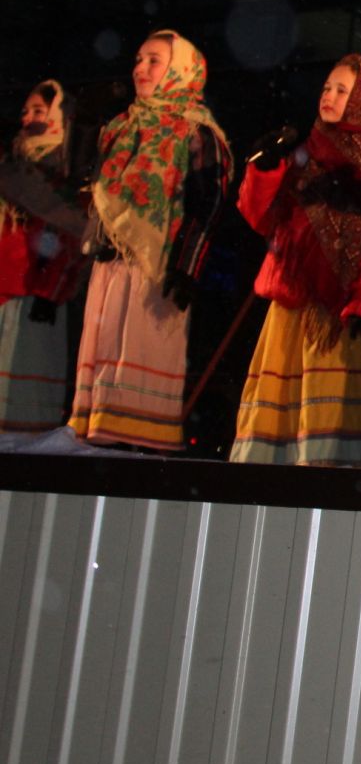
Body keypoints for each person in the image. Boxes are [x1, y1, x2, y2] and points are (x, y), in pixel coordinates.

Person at [230, 55, 361, 465]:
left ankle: (324, 489)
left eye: (343, 90)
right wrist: (265, 168)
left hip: (338, 316)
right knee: (274, 421)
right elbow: (260, 217)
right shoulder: (301, 151)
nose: (329, 96)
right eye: (327, 88)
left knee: (325, 427)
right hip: (289, 302)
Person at [69, 31, 233, 451]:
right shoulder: (121, 127)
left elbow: (209, 204)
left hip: (158, 271)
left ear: (181, 70)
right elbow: (91, 189)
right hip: (110, 265)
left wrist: (187, 267)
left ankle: (135, 451)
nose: (140, 69)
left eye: (154, 61)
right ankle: (93, 444)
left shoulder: (198, 133)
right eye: (139, 59)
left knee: (141, 361)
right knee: (102, 360)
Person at [0, 81, 84, 433]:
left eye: (39, 111)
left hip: (35, 294)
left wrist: (51, 289)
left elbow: (66, 236)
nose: (29, 119)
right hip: (5, 289)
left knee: (23, 397)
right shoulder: (12, 165)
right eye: (25, 111)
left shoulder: (63, 173)